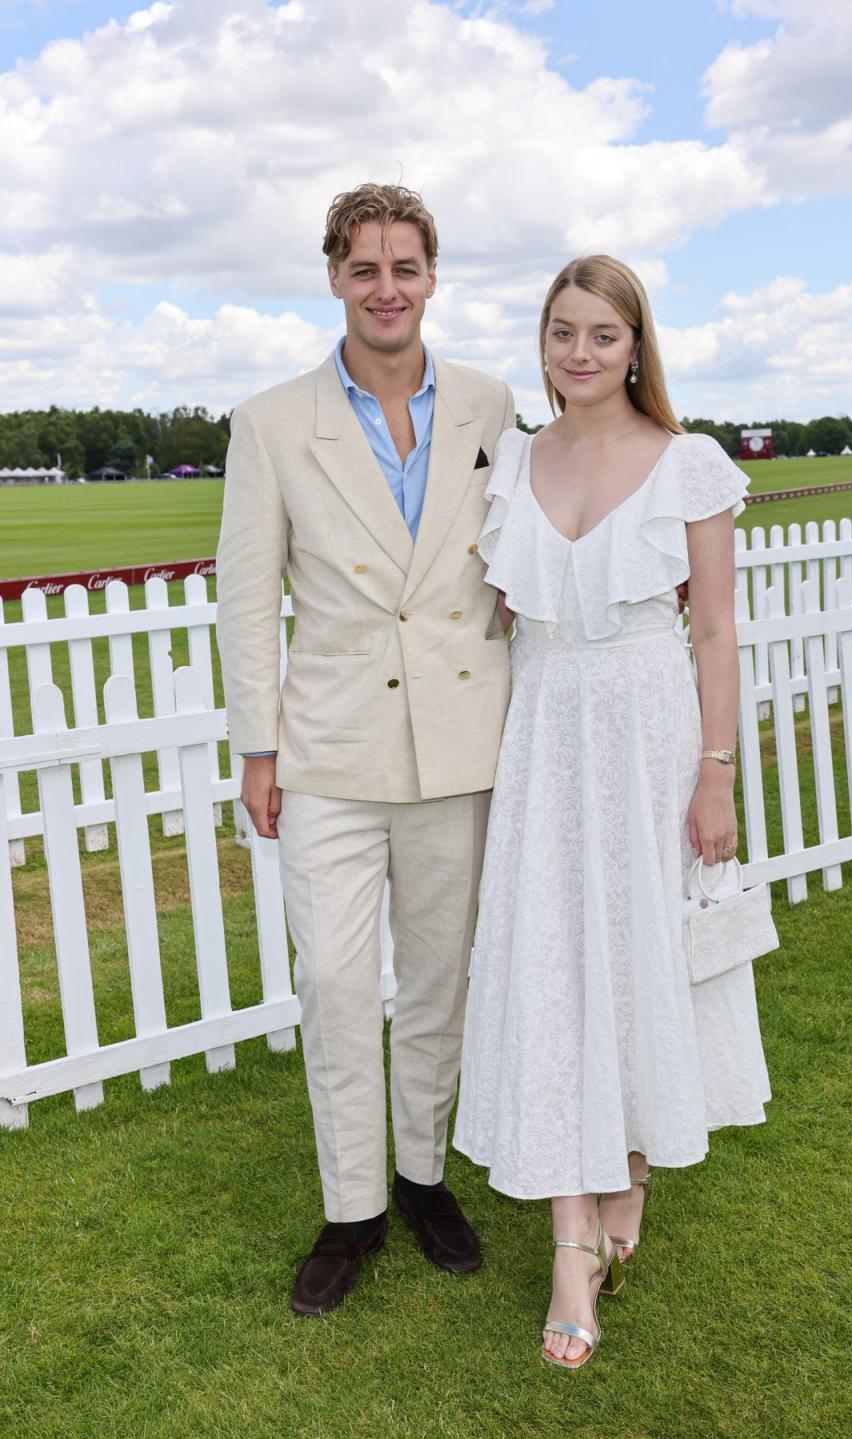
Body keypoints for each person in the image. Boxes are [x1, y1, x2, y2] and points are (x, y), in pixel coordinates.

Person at [453, 255, 770, 1368]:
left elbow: (718, 631)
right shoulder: (516, 461)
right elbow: (487, 615)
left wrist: (716, 769)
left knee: (633, 958)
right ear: (540, 343)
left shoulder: (687, 465)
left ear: (638, 346)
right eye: (560, 332)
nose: (577, 353)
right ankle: (570, 1242)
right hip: (545, 736)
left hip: (649, 735)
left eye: (600, 334)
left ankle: (626, 1169)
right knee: (552, 964)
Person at [216, 183, 515, 1315]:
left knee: (438, 980)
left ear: (433, 276)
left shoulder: (491, 406)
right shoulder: (272, 421)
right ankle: (353, 1209)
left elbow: (528, 553)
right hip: (329, 747)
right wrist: (260, 748)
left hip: (460, 741)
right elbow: (246, 599)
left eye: (405, 266)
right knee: (338, 979)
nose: (386, 287)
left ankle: (424, 1176)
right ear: (335, 277)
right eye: (364, 267)